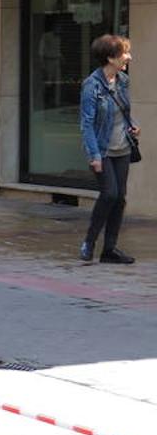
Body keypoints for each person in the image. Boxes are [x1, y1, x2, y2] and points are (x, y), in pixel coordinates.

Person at [79, 34, 140, 264]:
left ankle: (109, 250)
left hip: (122, 148)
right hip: (102, 150)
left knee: (120, 198)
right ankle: (89, 243)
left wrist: (132, 126)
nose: (128, 57)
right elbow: (86, 124)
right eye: (124, 53)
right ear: (110, 58)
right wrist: (94, 155)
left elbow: (123, 111)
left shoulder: (123, 80)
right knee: (110, 194)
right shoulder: (91, 85)